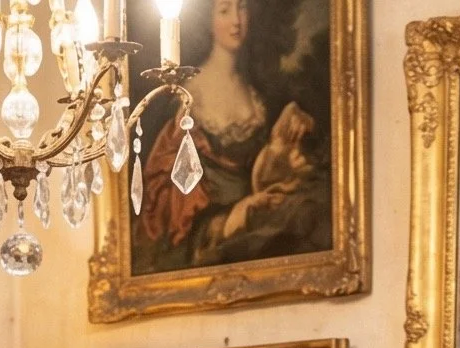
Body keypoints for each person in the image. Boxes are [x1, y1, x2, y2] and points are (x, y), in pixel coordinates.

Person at [133, 0, 330, 274]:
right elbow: (169, 199)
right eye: (225, 10)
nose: (237, 20)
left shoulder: (257, 91)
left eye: (243, 8)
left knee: (309, 213)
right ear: (208, 21)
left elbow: (264, 172)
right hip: (210, 229)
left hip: (259, 211)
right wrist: (232, 217)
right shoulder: (191, 98)